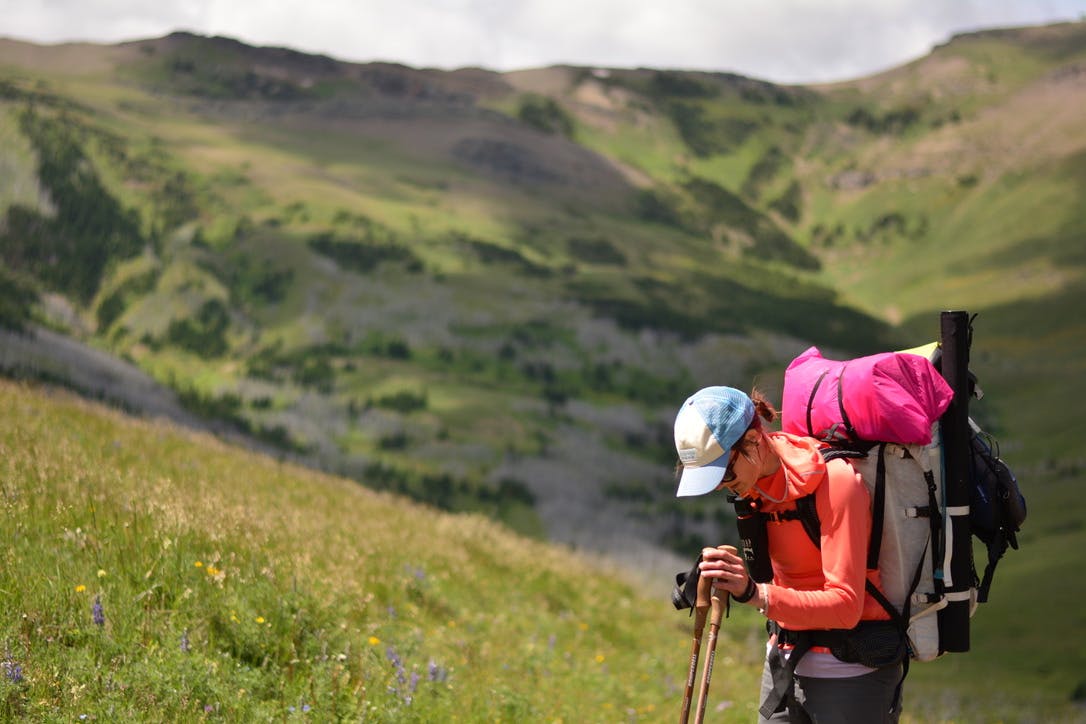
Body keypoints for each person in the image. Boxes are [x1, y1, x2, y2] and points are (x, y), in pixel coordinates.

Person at [673, 385, 904, 723]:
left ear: (753, 440)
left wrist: (753, 593)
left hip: (852, 672)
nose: (721, 485)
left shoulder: (836, 483)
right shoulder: (752, 489)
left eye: (723, 471)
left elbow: (845, 607)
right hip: (783, 661)